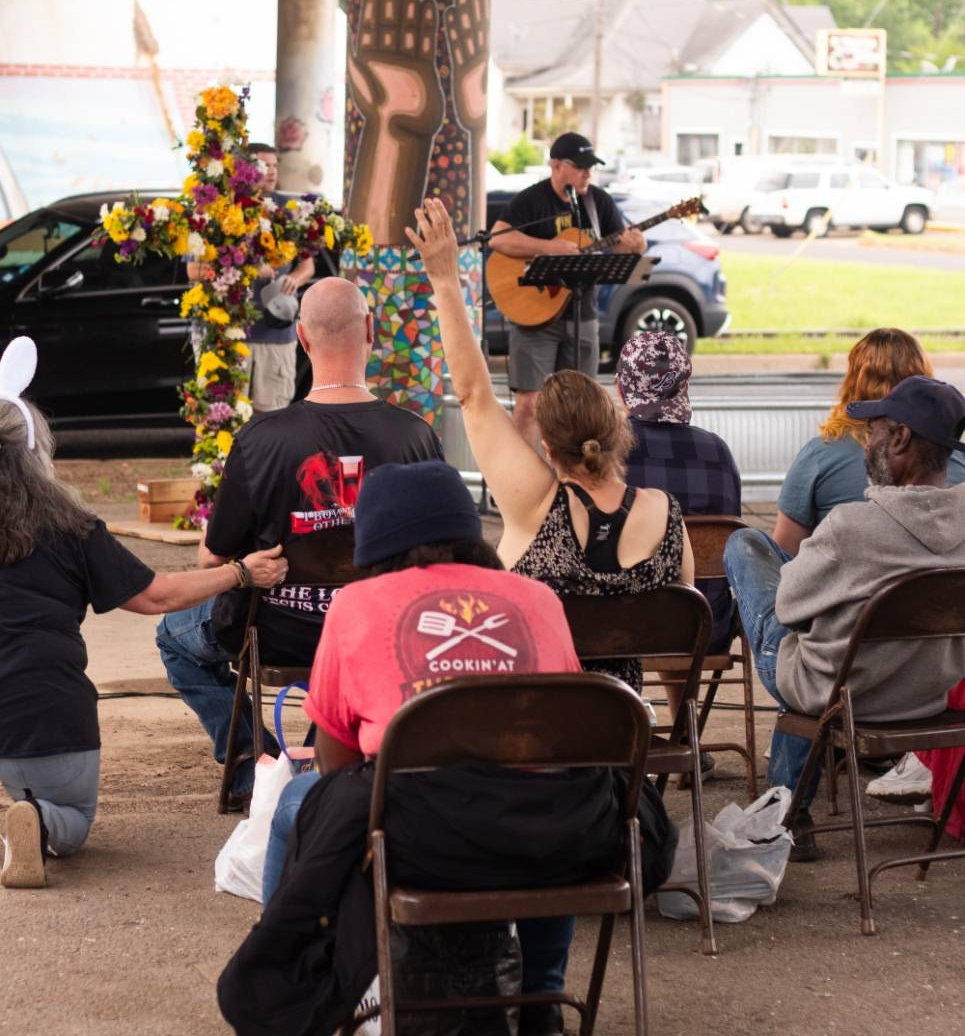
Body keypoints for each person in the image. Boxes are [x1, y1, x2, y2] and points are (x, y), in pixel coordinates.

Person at [234, 460, 677, 1036]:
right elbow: (577, 743)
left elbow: (337, 763)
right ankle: (542, 997)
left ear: (373, 540)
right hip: (567, 839)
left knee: (298, 802)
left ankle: (295, 972)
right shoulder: (538, 598)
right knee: (545, 791)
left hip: (423, 842)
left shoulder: (355, 606)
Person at [0, 337, 287, 889]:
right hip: (46, 716)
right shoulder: (71, 529)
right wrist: (242, 572)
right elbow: (156, 597)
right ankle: (36, 824)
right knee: (72, 823)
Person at [155, 277, 443, 805]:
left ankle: (253, 767)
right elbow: (443, 554)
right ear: (372, 332)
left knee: (174, 637)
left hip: (277, 632)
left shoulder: (261, 440)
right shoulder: (416, 436)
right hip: (379, 638)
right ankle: (323, 765)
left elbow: (212, 559)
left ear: (303, 341)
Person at [407, 198, 693, 697]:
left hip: (530, 726)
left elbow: (474, 395)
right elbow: (685, 620)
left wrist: (445, 281)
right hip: (619, 735)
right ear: (617, 427)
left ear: (545, 445)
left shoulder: (534, 506)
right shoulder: (665, 516)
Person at [724, 374, 965, 858]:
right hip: (927, 696)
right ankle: (790, 812)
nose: (866, 442)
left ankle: (785, 814)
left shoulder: (851, 526)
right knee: (826, 626)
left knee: (745, 545)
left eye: (873, 430)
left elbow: (788, 608)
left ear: (899, 439)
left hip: (837, 695)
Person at [617, 330, 741, 773]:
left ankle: (619, 732)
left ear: (622, 386)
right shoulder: (718, 453)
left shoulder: (611, 455)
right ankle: (685, 733)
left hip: (624, 627)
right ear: (684, 384)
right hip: (706, 626)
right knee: (679, 593)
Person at [487, 132, 646, 448]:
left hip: (582, 316)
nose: (588, 173)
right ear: (556, 165)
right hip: (536, 318)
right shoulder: (532, 200)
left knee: (580, 405)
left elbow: (628, 246)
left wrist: (636, 245)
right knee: (530, 405)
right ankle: (522, 481)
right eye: (580, 166)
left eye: (591, 167)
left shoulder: (598, 201)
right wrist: (548, 247)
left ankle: (572, 479)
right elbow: (498, 239)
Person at [773, 327, 965, 558]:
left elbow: (783, 557)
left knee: (746, 543)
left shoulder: (821, 457)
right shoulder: (952, 461)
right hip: (943, 591)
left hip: (848, 588)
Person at [243, 143, 317, 414]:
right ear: (245, 171)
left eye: (275, 166)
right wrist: (248, 269)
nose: (272, 172)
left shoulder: (291, 209)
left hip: (277, 330)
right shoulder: (229, 211)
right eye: (265, 166)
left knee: (273, 414)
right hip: (236, 332)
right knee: (234, 418)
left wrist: (296, 278)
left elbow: (307, 265)